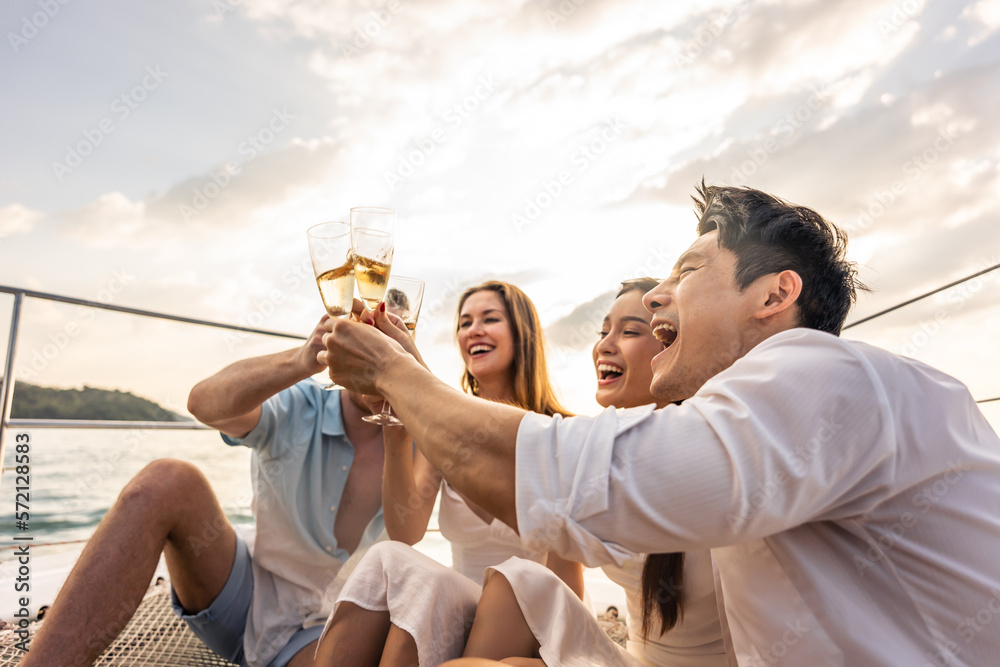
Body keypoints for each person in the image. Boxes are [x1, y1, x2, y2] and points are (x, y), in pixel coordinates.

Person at [320, 182, 1000, 666]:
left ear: (773, 295)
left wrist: (393, 375)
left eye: (689, 271)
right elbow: (566, 506)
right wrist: (407, 377)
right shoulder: (755, 432)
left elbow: (562, 479)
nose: (656, 294)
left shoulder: (824, 374)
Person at [21, 314, 387, 667]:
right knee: (168, 480)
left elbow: (413, 528)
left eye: (381, 339)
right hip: (247, 595)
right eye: (362, 336)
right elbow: (203, 403)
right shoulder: (302, 403)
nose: (367, 351)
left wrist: (402, 395)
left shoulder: (413, 436)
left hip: (329, 628)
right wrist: (303, 358)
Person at [314, 281, 583, 667]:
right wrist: (397, 421)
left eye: (490, 319)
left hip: (534, 619)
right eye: (465, 322)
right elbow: (406, 531)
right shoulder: (443, 434)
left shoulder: (557, 433)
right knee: (394, 559)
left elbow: (566, 584)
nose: (473, 330)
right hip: (464, 608)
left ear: (522, 335)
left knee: (458, 584)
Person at [462, 279, 727, 666]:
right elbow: (561, 589)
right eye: (604, 331)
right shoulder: (599, 449)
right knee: (520, 579)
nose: (604, 345)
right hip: (635, 659)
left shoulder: (714, 450)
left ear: (671, 347)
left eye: (630, 331)